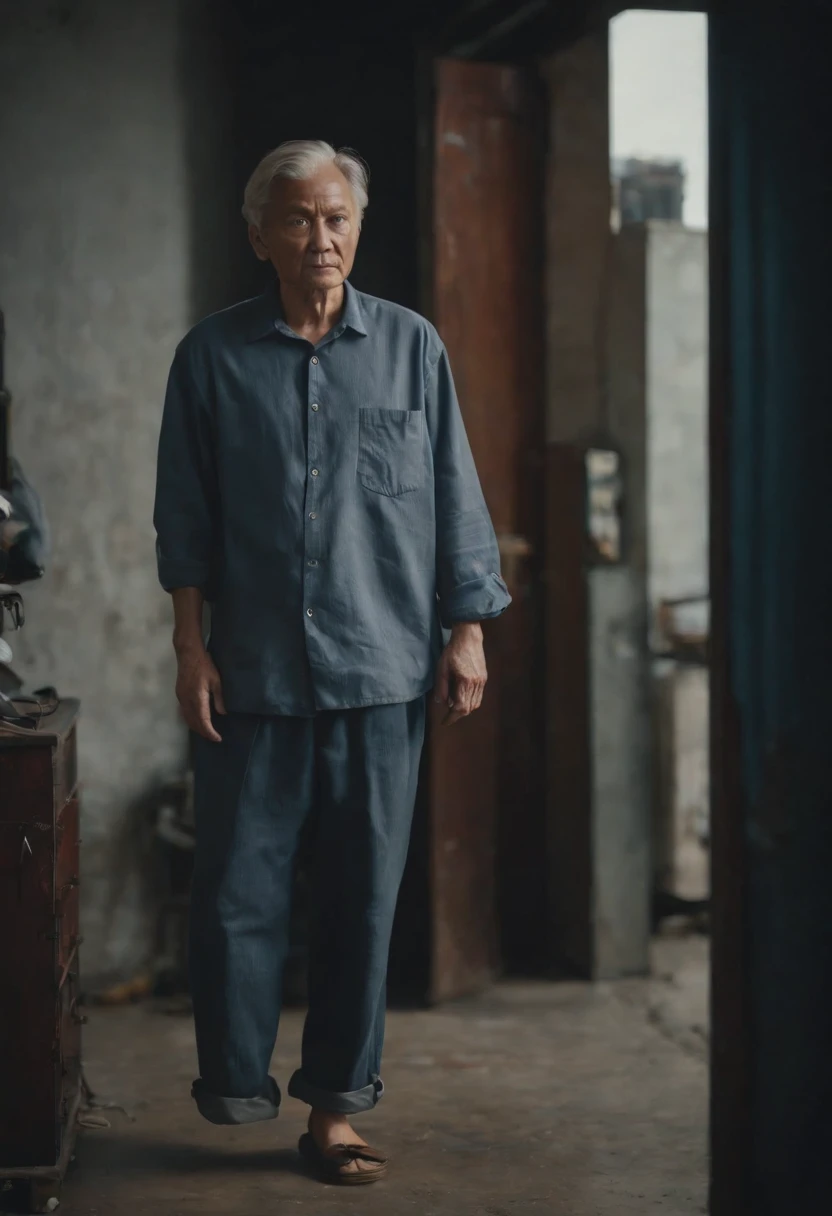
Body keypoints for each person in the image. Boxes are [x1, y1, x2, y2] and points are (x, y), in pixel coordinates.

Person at [153, 139, 511, 1185]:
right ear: (259, 234)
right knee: (234, 898)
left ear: (357, 228)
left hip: (380, 667)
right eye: (301, 219)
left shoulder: (411, 348)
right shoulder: (210, 359)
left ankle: (333, 1114)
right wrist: (191, 649)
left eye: (338, 218)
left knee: (362, 897)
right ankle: (235, 1087)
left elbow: (453, 495)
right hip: (253, 672)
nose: (323, 238)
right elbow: (186, 522)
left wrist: (468, 628)